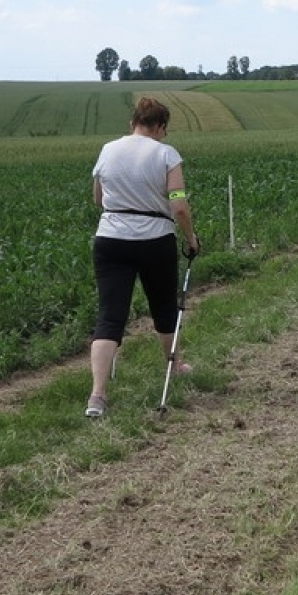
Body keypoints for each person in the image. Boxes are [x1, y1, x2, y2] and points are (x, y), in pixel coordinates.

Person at [87, 96, 201, 418]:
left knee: (110, 316)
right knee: (165, 308)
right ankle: (175, 366)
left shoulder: (108, 150)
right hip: (155, 241)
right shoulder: (167, 154)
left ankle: (97, 395)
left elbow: (99, 198)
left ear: (132, 123)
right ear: (160, 126)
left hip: (111, 239)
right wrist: (191, 239)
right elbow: (178, 204)